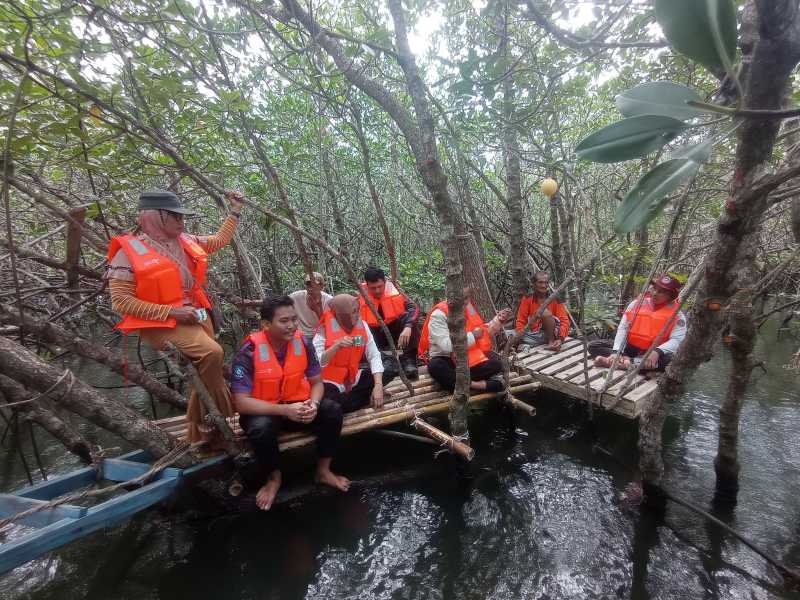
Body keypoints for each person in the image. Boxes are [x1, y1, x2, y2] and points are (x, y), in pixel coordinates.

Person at [107, 189, 243, 444]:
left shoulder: (185, 240)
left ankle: (200, 432)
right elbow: (121, 301)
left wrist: (234, 211)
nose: (182, 222)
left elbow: (218, 240)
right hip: (160, 321)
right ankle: (220, 420)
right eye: (175, 217)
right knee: (211, 354)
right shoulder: (127, 253)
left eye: (182, 217)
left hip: (196, 312)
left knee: (206, 370)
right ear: (155, 217)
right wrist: (172, 312)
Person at [230, 295, 350, 510]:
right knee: (261, 429)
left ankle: (323, 471)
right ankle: (274, 479)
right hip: (265, 412)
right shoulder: (248, 353)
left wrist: (313, 405)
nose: (292, 325)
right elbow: (241, 403)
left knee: (332, 410)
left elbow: (317, 383)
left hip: (299, 407)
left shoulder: (303, 343)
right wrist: (285, 410)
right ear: (266, 324)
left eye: (294, 319)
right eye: (284, 321)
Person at [420, 287, 511, 393]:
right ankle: (478, 385)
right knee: (435, 367)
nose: (465, 301)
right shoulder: (438, 315)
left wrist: (497, 322)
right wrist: (472, 336)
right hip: (447, 359)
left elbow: (482, 332)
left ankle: (455, 383)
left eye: (467, 298)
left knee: (496, 362)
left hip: (467, 358)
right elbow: (447, 345)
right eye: (462, 298)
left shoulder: (469, 308)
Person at [590, 274, 686, 371]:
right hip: (629, 348)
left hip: (653, 353)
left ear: (671, 296)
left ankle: (622, 364)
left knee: (670, 361)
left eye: (662, 292)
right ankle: (626, 360)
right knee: (594, 346)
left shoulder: (677, 315)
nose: (655, 293)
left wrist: (657, 352)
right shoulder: (636, 304)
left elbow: (677, 340)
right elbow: (623, 328)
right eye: (654, 289)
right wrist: (617, 351)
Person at [313, 294, 386, 413]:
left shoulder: (362, 326)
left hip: (353, 377)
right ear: (342, 314)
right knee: (329, 403)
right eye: (353, 312)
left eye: (358, 310)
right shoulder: (323, 330)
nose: (358, 315)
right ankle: (360, 399)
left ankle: (357, 398)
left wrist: (378, 385)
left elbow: (374, 355)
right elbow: (317, 363)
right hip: (330, 381)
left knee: (387, 371)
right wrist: (336, 346)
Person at [358, 267, 420, 380]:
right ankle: (386, 361)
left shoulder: (395, 290)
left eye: (380, 286)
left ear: (385, 282)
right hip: (374, 334)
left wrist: (408, 327)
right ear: (366, 285)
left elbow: (414, 308)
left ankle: (409, 360)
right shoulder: (359, 297)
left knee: (409, 321)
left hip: (394, 329)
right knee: (359, 335)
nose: (377, 291)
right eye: (373, 288)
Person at [514, 271, 570, 350]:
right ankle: (527, 343)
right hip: (533, 335)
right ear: (533, 284)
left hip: (552, 334)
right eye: (540, 282)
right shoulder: (527, 298)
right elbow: (520, 321)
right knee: (508, 335)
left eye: (546, 282)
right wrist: (519, 337)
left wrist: (560, 339)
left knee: (544, 313)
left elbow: (565, 321)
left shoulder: (555, 298)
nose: (544, 285)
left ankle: (552, 343)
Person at [289, 271, 332, 341]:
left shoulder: (329, 301)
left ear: (322, 287)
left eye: (314, 284)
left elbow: (327, 325)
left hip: (320, 334)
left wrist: (316, 309)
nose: (311, 288)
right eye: (308, 285)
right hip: (301, 334)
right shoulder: (295, 297)